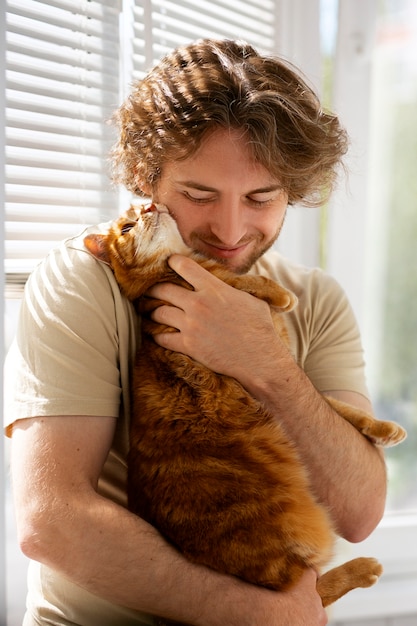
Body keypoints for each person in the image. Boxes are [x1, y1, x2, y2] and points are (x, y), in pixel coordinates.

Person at [5, 39, 387, 626]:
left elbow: (359, 511)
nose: (231, 230)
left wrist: (266, 364)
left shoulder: (314, 299)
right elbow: (50, 522)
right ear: (145, 176)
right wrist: (258, 614)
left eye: (262, 197)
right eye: (198, 195)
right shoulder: (82, 280)